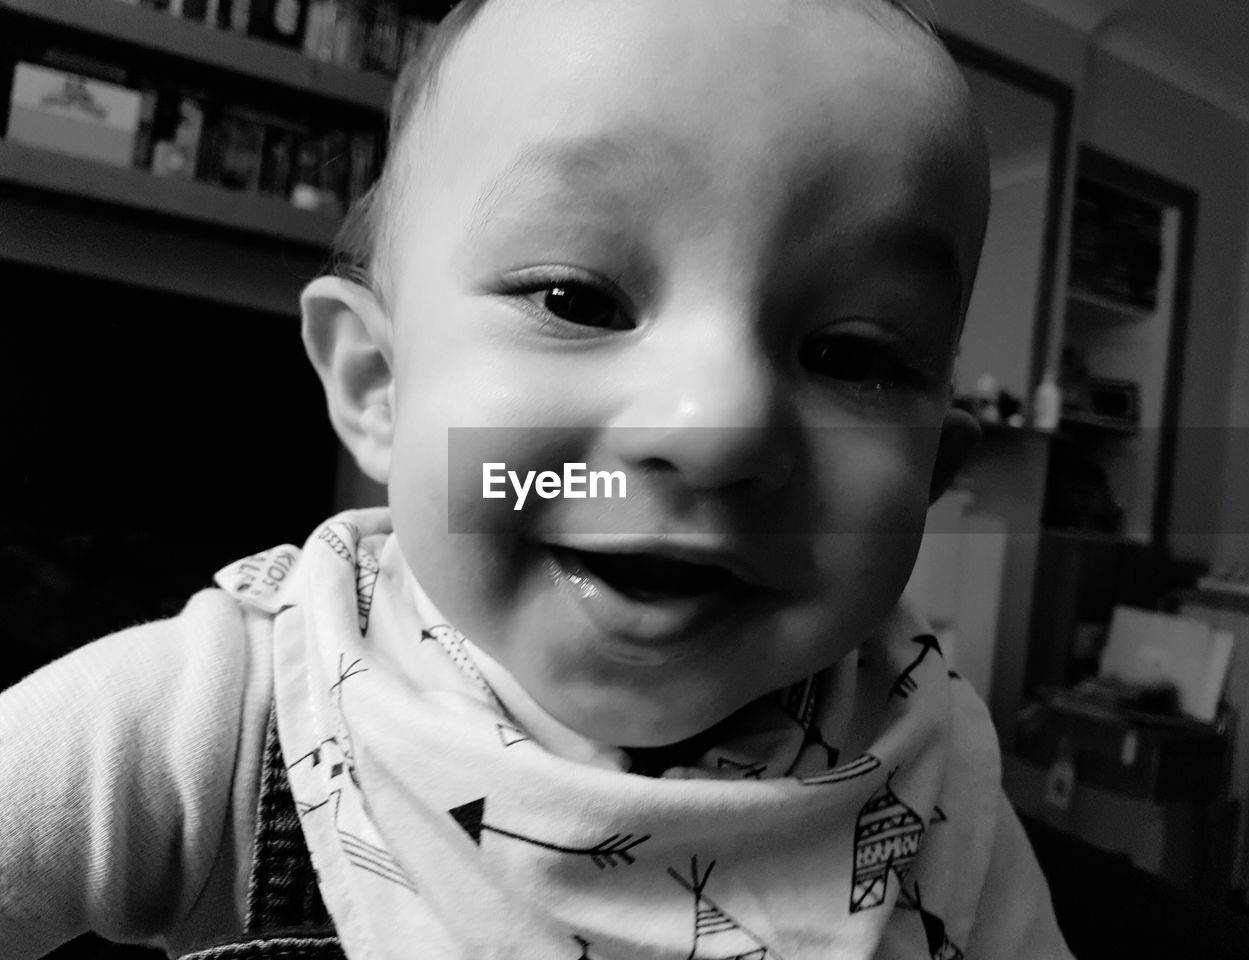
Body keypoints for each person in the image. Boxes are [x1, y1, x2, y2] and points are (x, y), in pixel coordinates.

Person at [0, 0, 1075, 957]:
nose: (712, 429)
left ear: (932, 474)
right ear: (379, 385)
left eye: (848, 356)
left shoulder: (932, 772)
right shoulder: (231, 709)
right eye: (575, 298)